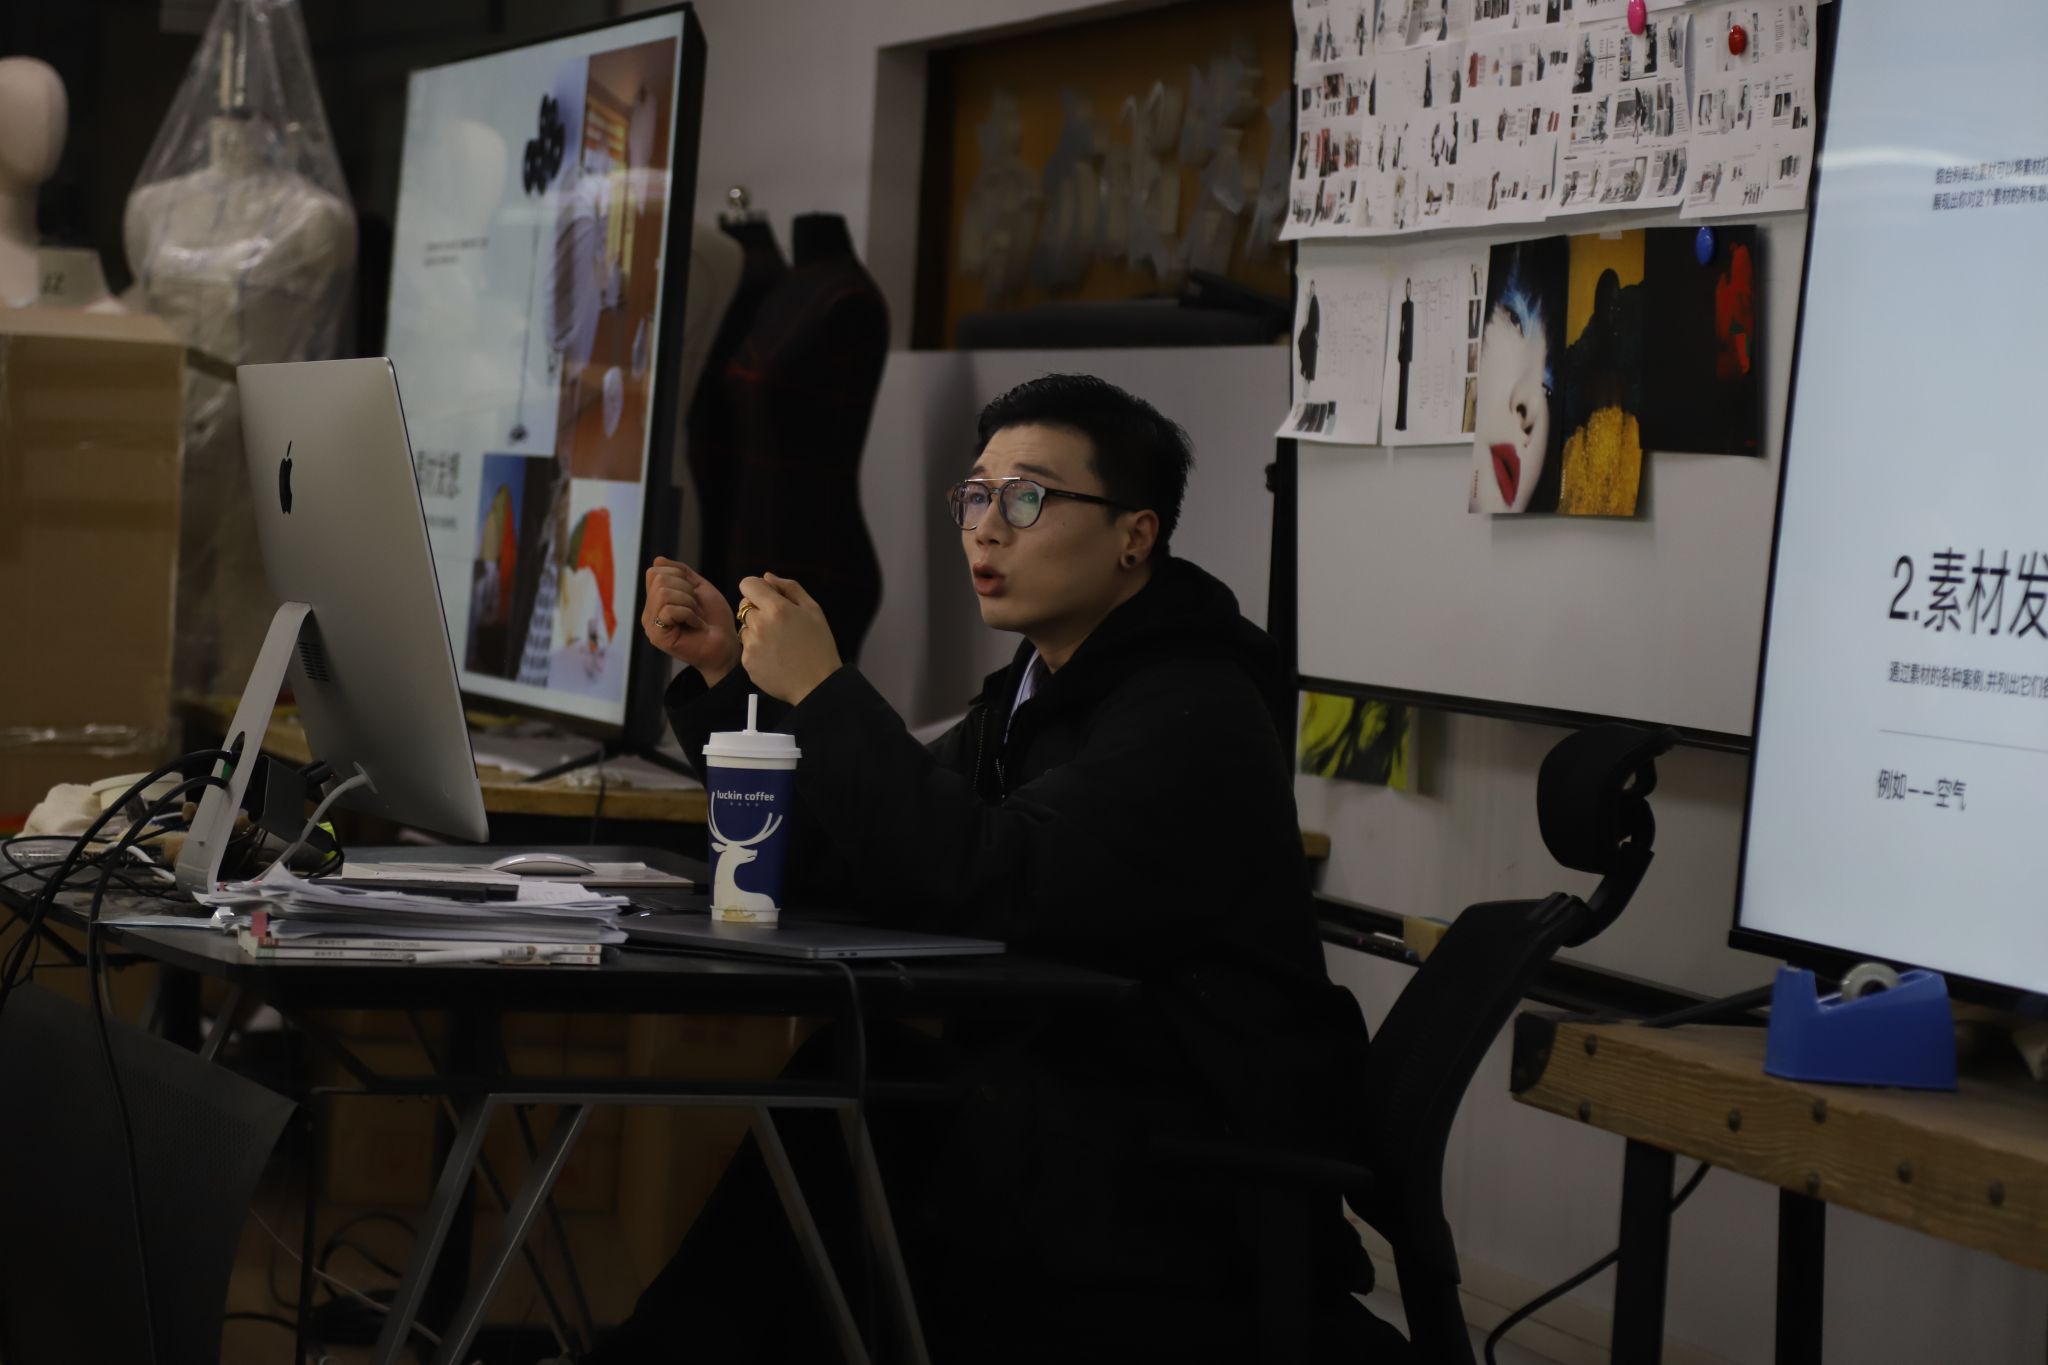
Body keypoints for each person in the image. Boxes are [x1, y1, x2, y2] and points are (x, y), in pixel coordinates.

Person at [596, 375, 1405, 1362]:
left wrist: (826, 690)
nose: (985, 527)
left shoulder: (1191, 710)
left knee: (859, 1110)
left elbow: (985, 875)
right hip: (1060, 1118)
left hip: (1183, 1173)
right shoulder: (1035, 689)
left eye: (1027, 498)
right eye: (974, 496)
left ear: (1134, 535)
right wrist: (730, 679)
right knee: (850, 1082)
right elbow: (860, 855)